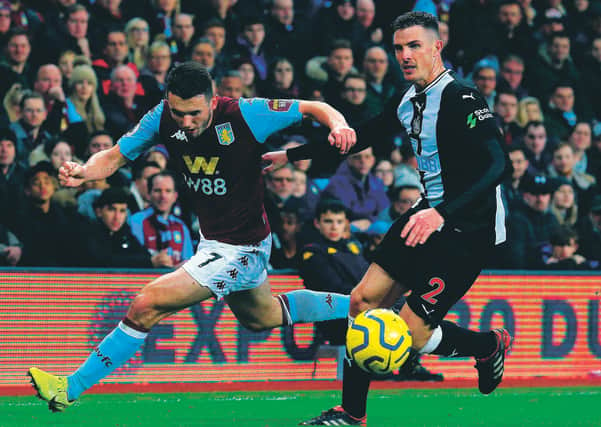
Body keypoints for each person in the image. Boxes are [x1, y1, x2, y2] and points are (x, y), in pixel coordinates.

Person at [28, 61, 357, 413]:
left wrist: (338, 124)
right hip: (213, 240)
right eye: (178, 112)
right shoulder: (161, 117)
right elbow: (114, 157)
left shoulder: (246, 114)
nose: (185, 122)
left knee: (146, 304)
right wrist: (84, 171)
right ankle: (359, 306)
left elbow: (312, 108)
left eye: (194, 113)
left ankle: (69, 388)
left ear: (213, 102)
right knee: (260, 316)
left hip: (243, 247)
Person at [264, 12, 512, 425]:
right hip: (425, 213)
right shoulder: (407, 100)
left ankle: (486, 345)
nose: (405, 55)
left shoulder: (461, 98)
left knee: (413, 333)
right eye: (399, 48)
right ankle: (351, 413)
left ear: (437, 47)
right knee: (362, 301)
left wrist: (442, 212)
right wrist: (289, 155)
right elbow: (356, 138)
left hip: (468, 227)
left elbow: (498, 165)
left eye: (414, 46)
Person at [129, 170, 194, 265]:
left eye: (168, 191)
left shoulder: (181, 226)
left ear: (175, 196)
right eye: (157, 190)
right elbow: (134, 257)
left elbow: (188, 261)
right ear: (149, 194)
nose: (163, 196)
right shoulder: (136, 221)